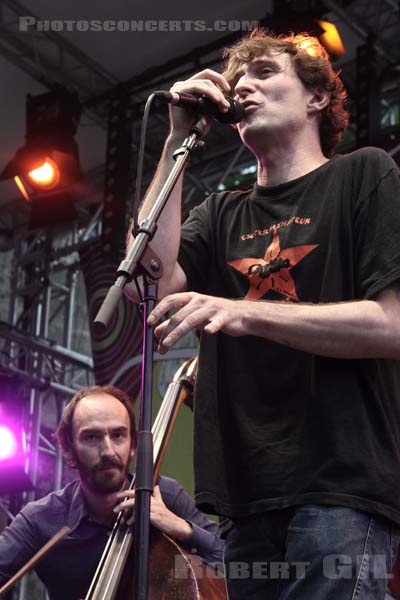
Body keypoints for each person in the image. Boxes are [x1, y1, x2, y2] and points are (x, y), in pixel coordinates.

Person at [125, 29, 400, 599]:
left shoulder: (363, 175)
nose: (243, 87)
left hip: (340, 487)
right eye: (237, 80)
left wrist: (245, 313)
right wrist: (178, 136)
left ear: (317, 97)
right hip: (243, 496)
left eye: (265, 74)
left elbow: (391, 325)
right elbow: (144, 282)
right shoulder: (220, 211)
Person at [0, 385, 224, 599]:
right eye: (92, 437)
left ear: (133, 444)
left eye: (118, 435)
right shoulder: (41, 519)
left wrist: (183, 529)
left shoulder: (165, 495)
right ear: (68, 450)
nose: (108, 451)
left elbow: (242, 567)